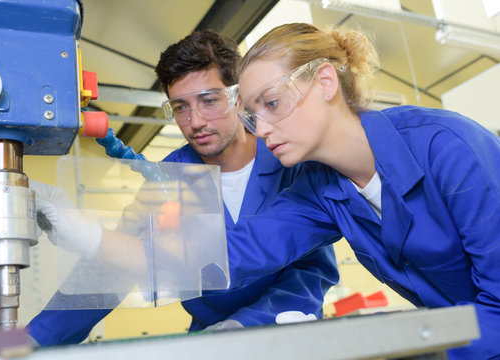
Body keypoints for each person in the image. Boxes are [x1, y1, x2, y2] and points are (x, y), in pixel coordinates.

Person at [27, 29, 339, 345]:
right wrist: (36, 338)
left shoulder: (289, 161)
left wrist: (245, 326)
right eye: (180, 107)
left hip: (284, 334)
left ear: (239, 96)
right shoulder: (166, 179)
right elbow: (113, 269)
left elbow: (311, 271)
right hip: (205, 341)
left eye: (209, 100)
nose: (195, 121)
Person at [218, 23, 499, 359]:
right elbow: (248, 246)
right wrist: (152, 255)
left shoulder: (448, 147)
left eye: (273, 104)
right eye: (252, 117)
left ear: (325, 82)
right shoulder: (319, 188)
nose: (261, 130)